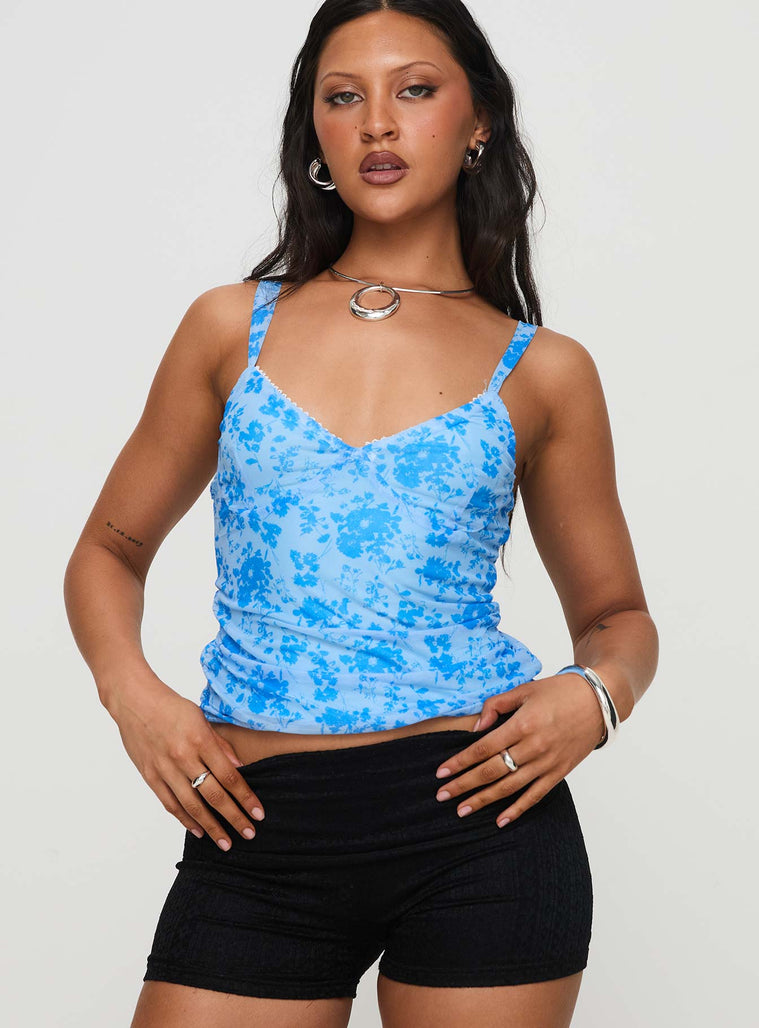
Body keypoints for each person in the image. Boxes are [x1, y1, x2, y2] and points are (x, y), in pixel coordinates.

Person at [63, 2, 658, 1026]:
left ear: (478, 122)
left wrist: (594, 697)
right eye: (344, 97)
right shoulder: (229, 327)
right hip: (255, 831)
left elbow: (619, 618)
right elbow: (107, 550)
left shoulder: (544, 370)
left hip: (480, 822)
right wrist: (134, 695)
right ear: (317, 134)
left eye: (414, 90)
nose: (378, 122)